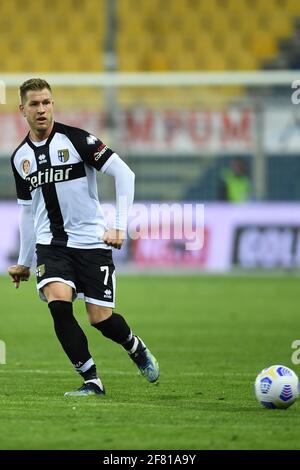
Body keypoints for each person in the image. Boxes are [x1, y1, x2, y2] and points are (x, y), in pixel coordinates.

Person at [8, 78, 159, 397]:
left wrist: (119, 225)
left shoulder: (76, 140)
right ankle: (92, 380)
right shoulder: (20, 158)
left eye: (47, 102)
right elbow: (26, 211)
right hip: (52, 247)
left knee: (100, 319)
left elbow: (124, 174)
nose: (42, 109)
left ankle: (135, 347)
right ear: (22, 110)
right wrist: (23, 262)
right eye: (34, 104)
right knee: (58, 304)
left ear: (53, 105)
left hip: (91, 244)